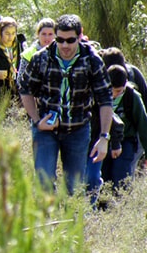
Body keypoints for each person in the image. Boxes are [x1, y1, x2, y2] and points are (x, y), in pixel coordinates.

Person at [17, 14, 114, 196]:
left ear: (79, 37)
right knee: (44, 182)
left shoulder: (92, 61)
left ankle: (73, 222)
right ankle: (48, 222)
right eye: (60, 40)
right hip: (46, 130)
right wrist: (37, 121)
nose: (64, 45)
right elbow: (25, 89)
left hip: (77, 130)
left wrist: (104, 137)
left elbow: (105, 99)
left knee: (74, 188)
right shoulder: (42, 58)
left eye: (70, 40)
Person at [99, 47, 147, 174]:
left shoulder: (132, 86)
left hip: (128, 138)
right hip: (104, 139)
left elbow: (145, 118)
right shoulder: (98, 87)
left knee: (123, 176)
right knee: (103, 177)